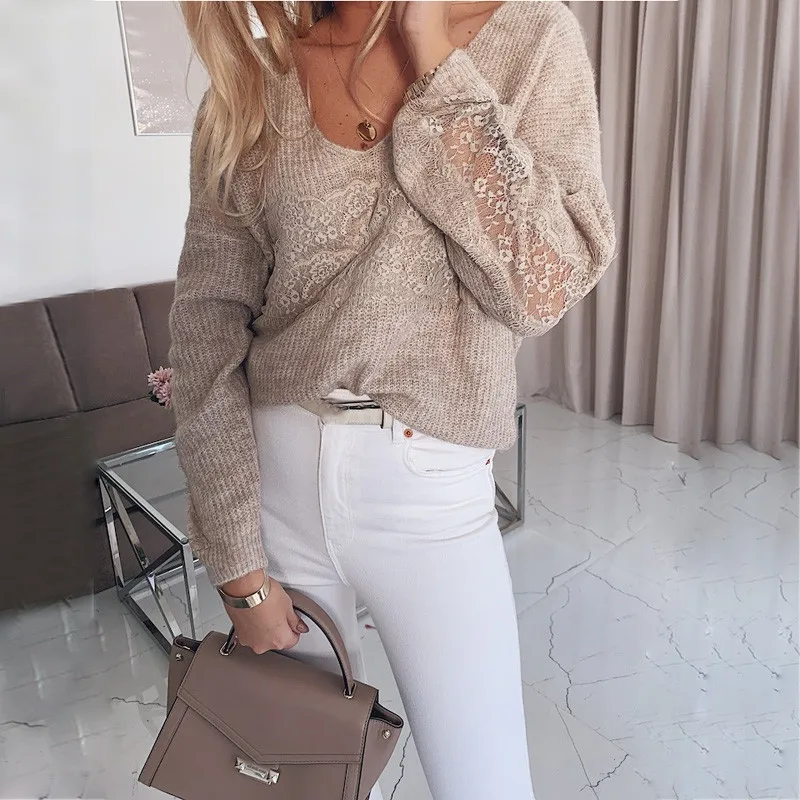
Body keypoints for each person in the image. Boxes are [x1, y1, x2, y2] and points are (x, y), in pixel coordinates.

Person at [170, 1, 616, 798]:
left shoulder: (531, 37)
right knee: (298, 783)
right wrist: (238, 566)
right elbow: (206, 327)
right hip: (276, 484)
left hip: (430, 487)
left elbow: (540, 289)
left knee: (486, 783)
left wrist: (437, 64)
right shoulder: (257, 81)